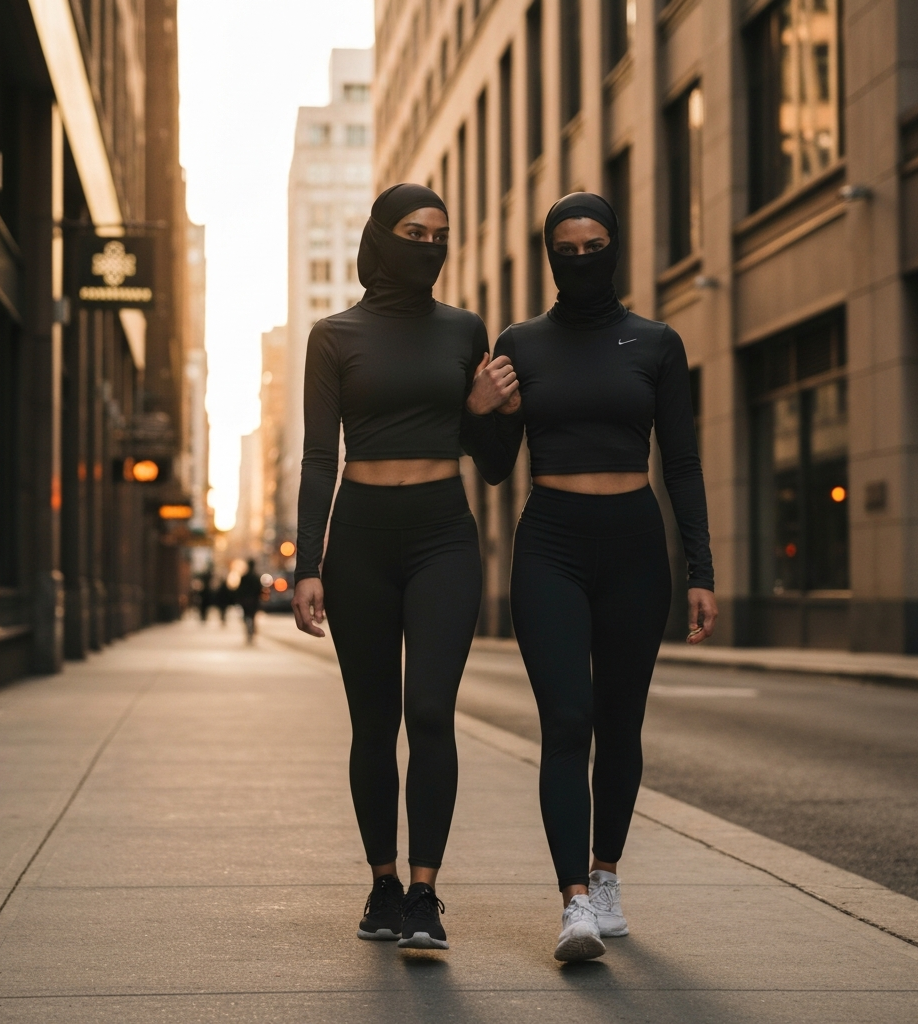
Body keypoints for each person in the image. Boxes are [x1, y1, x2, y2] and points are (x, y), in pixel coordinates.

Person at [464, 193, 717, 963]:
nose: (580, 258)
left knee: (621, 722)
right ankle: (573, 899)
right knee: (567, 721)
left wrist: (702, 568)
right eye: (565, 248)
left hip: (637, 546)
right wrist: (480, 410)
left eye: (593, 244)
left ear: (615, 246)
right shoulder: (522, 343)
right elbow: (499, 469)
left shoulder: (656, 343)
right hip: (551, 545)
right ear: (549, 255)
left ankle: (607, 875)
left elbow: (680, 462)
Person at [291, 184, 517, 951]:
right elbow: (321, 455)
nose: (429, 245)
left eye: (441, 235)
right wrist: (307, 562)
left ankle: (425, 892)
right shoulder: (334, 335)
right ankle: (382, 882)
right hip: (357, 538)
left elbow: (492, 466)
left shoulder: (464, 330)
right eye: (414, 232)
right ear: (381, 237)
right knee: (373, 721)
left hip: (442, 535)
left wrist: (485, 409)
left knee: (430, 711)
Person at [236, 560, 263, 643]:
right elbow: (259, 590)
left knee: (246, 616)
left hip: (246, 600)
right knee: (252, 616)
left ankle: (249, 631)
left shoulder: (244, 577)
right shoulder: (256, 577)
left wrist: (239, 599)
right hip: (253, 600)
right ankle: (251, 631)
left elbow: (240, 590)